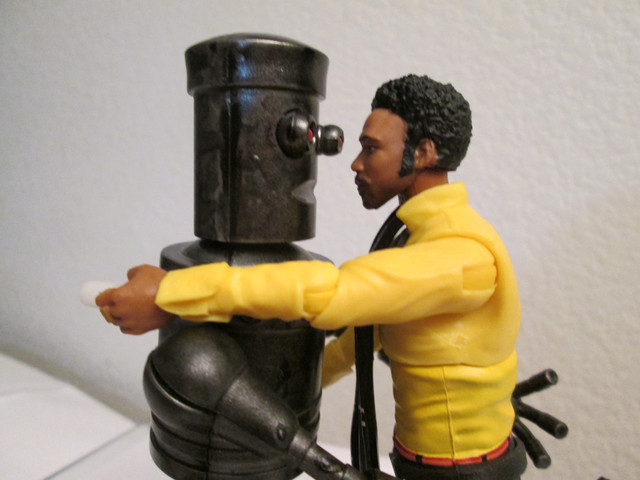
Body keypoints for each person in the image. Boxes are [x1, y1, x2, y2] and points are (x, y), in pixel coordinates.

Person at [97, 74, 527, 479]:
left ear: (424, 153)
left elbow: (332, 293)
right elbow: (372, 331)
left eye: (371, 149)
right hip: (423, 460)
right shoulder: (421, 236)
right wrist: (303, 382)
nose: (356, 163)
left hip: (456, 470)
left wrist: (169, 293)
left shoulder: (460, 254)